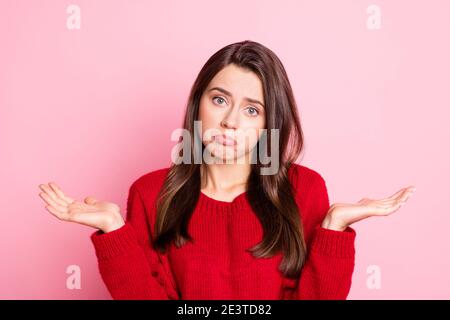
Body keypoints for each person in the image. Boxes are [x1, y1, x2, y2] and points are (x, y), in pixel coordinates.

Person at [38, 40, 416, 300]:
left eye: (252, 109)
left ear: (271, 122)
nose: (230, 121)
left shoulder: (304, 188)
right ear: (198, 103)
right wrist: (114, 232)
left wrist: (333, 228)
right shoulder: (151, 193)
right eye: (219, 100)